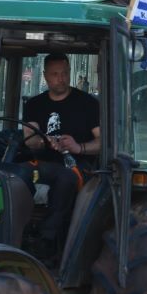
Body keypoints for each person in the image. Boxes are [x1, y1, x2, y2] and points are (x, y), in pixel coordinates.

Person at [22, 52, 100, 257]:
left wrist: (78, 147)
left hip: (77, 165)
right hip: (42, 163)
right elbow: (30, 138)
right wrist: (44, 141)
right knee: (16, 174)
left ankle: (46, 240)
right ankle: (19, 229)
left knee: (65, 179)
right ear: (46, 76)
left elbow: (102, 143)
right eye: (55, 74)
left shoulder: (88, 104)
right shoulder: (34, 104)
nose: (61, 78)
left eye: (65, 73)